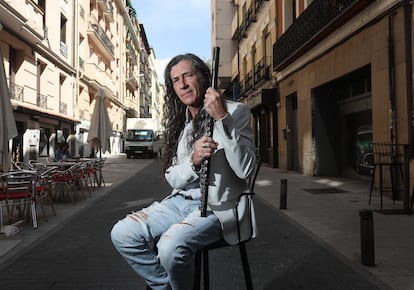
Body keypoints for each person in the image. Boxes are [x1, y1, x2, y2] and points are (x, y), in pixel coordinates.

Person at [111, 53, 257, 290]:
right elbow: (173, 178)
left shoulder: (236, 112)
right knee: (122, 233)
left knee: (170, 248)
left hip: (218, 208)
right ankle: (165, 287)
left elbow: (245, 169)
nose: (183, 84)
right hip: (179, 203)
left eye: (188, 75)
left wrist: (221, 118)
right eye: (176, 80)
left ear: (204, 77)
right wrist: (194, 162)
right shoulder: (185, 126)